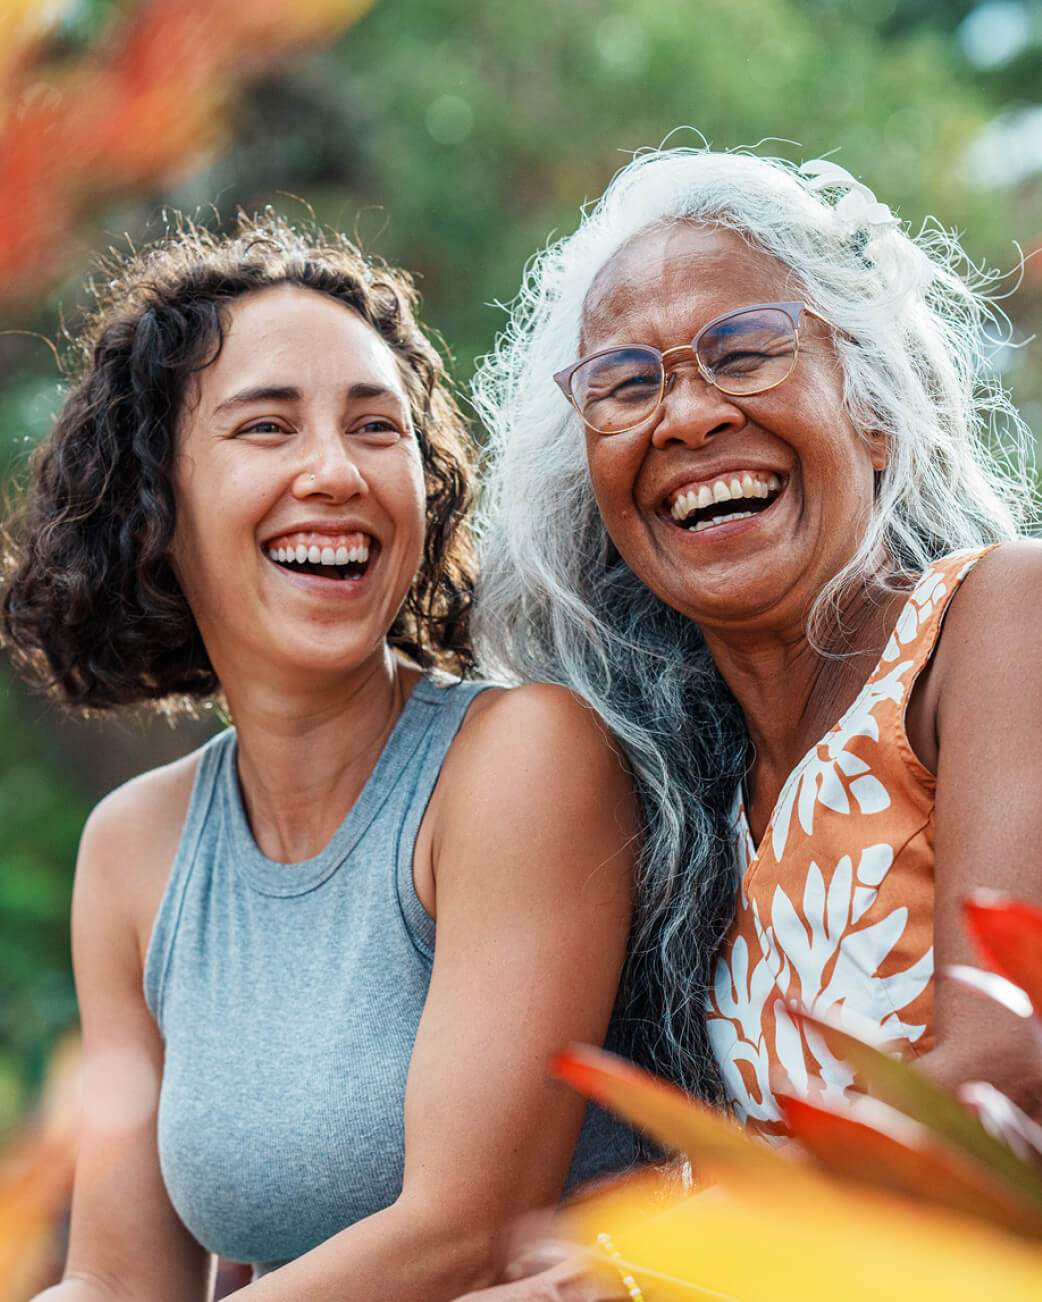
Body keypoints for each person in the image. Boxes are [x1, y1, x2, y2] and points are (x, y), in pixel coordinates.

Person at [0, 215, 643, 1300]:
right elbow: (119, 1276)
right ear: (155, 503)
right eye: (266, 428)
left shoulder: (519, 760)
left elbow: (463, 1231)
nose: (334, 472)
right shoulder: (135, 852)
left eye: (376, 427)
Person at [459, 146, 1042, 1299]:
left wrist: (637, 1265)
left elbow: (1004, 1064)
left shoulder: (997, 617)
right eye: (626, 385)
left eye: (745, 351)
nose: (685, 416)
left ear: (872, 412)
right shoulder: (681, 809)